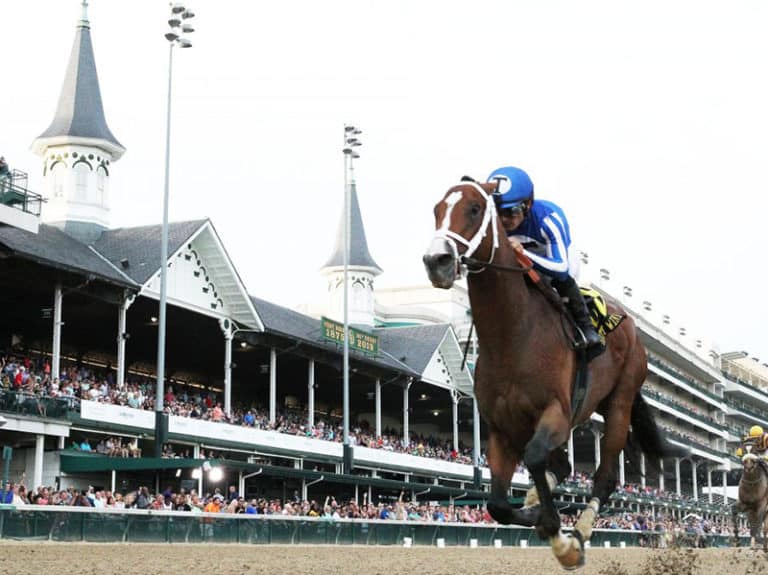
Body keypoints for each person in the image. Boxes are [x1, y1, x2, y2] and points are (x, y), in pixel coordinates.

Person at [487, 166, 601, 349]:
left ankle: (586, 328)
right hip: (523, 260)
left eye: (511, 211)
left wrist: (523, 254)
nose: (504, 219)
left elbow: (561, 268)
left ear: (528, 204)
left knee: (561, 281)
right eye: (498, 211)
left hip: (556, 259)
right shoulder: (492, 222)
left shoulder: (548, 218)